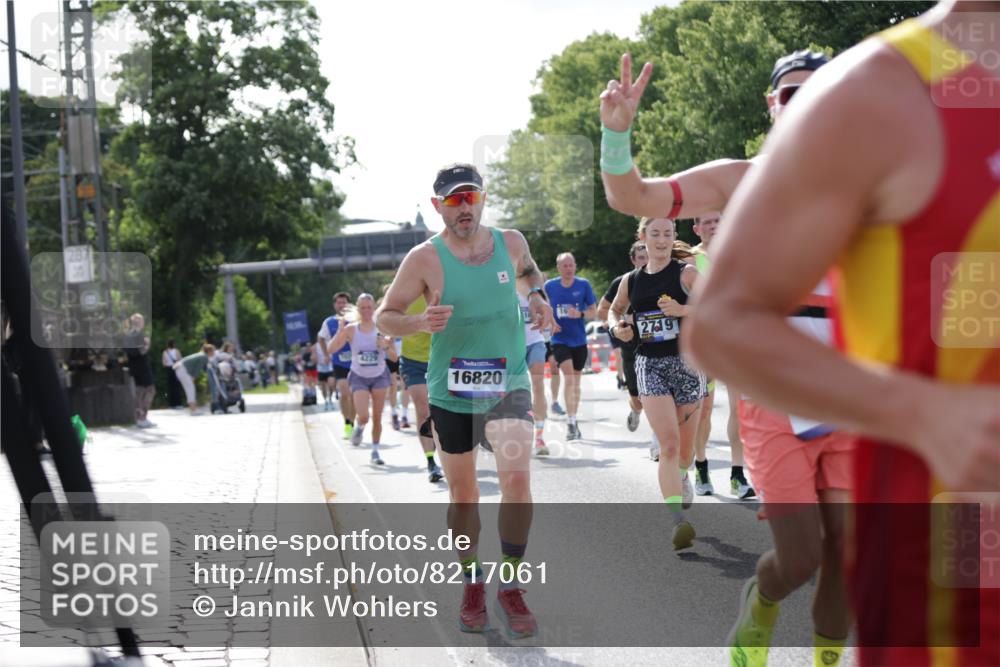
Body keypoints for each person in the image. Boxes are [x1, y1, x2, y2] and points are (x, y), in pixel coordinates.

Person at [683, 4, 1000, 666]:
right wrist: (924, 410)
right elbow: (720, 322)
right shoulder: (881, 89)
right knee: (808, 554)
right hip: (957, 535)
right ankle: (768, 607)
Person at [600, 49, 854, 666]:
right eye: (792, 93)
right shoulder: (738, 180)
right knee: (800, 558)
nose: (807, 103)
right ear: (773, 104)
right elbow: (634, 196)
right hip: (772, 399)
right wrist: (616, 134)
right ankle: (761, 601)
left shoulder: (866, 184)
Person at [376, 162, 555, 639]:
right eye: (453, 201)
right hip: (452, 391)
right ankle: (472, 580)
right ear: (438, 207)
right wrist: (417, 323)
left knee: (517, 479)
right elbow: (385, 315)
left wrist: (537, 295)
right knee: (465, 495)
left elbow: (531, 270)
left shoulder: (511, 242)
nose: (463, 208)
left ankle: (511, 588)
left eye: (470, 197)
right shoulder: (424, 259)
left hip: (508, 382)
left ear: (482, 199)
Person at [608, 218, 702, 550]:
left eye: (667, 233)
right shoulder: (631, 281)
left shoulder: (686, 274)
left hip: (688, 363)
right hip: (650, 364)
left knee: (685, 453)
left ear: (674, 237)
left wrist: (682, 309)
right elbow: (614, 311)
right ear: (643, 237)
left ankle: (684, 474)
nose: (661, 240)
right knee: (669, 445)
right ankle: (678, 521)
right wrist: (618, 326)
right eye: (654, 233)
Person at [688, 212, 754, 499]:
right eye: (707, 221)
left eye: (718, 220)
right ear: (696, 228)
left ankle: (737, 475)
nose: (714, 226)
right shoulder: (688, 260)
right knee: (703, 413)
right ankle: (701, 465)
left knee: (739, 410)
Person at [325, 293, 396, 465]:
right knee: (364, 416)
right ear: (358, 308)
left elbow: (394, 358)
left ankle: (375, 452)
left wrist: (386, 347)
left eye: (369, 307)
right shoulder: (351, 329)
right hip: (359, 377)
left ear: (374, 309)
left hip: (379, 375)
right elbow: (330, 349)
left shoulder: (382, 329)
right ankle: (359, 427)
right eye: (362, 307)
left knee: (377, 417)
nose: (366, 311)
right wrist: (340, 333)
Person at [597, 241, 648, 438]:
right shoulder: (623, 282)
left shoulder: (663, 278)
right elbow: (603, 310)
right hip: (630, 348)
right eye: (641, 258)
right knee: (638, 400)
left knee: (659, 398)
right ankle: (635, 410)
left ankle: (658, 443)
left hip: (657, 347)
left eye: (648, 257)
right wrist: (620, 322)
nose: (646, 262)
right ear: (633, 260)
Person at [544, 252, 597, 441]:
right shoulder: (549, 286)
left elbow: (593, 311)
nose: (568, 268)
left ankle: (573, 418)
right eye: (564, 265)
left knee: (576, 381)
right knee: (569, 378)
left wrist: (580, 314)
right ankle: (571, 420)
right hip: (559, 339)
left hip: (579, 340)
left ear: (575, 266)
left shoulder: (583, 285)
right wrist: (547, 321)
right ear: (558, 268)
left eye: (571, 265)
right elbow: (541, 307)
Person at [398, 293, 444, 482]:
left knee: (443, 411)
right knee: (422, 407)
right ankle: (431, 462)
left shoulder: (442, 288)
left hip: (441, 358)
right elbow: (387, 321)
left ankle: (447, 454)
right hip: (413, 361)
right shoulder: (404, 294)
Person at [519, 281, 553, 456]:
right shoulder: (501, 282)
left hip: (535, 342)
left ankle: (539, 438)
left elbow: (547, 310)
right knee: (512, 390)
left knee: (538, 386)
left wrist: (549, 322)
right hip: (510, 345)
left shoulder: (534, 289)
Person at [319, 293, 356, 438]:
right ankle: (347, 422)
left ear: (349, 305)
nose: (342, 305)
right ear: (335, 305)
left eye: (344, 303)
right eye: (339, 303)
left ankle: (352, 422)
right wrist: (326, 355)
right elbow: (321, 338)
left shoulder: (355, 320)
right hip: (339, 362)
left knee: (354, 395)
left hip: (356, 363)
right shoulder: (329, 322)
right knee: (344, 392)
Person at [124, 313, 156, 428]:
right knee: (150, 390)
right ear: (139, 322)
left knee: (139, 393)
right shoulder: (139, 335)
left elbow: (128, 351)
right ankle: (143, 418)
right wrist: (147, 344)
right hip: (142, 367)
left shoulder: (128, 335)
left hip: (134, 368)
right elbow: (141, 351)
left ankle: (139, 418)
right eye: (141, 321)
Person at [175, 343, 216, 414]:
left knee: (189, 389)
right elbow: (198, 368)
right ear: (209, 351)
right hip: (182, 369)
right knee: (190, 389)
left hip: (180, 368)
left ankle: (192, 409)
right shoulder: (204, 357)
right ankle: (193, 410)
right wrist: (193, 377)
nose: (214, 353)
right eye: (213, 351)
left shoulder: (202, 354)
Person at [161, 339, 183, 408]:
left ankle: (171, 404)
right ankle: (178, 404)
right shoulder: (177, 351)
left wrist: (168, 364)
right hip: (176, 369)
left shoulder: (165, 352)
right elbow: (181, 360)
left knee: (170, 387)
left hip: (169, 369)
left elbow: (164, 364)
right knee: (177, 387)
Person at [314, 338, 334, 409]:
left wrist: (330, 359)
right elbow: (314, 356)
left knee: (331, 384)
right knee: (323, 387)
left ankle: (330, 398)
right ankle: (325, 400)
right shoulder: (316, 346)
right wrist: (315, 359)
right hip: (321, 368)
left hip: (330, 367)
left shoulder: (331, 342)